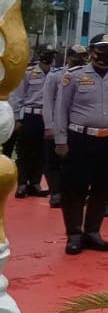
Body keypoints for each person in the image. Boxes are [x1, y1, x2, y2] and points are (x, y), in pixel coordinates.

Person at [53, 33, 108, 255]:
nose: (105, 55)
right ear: (90, 52)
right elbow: (62, 109)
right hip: (80, 139)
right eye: (101, 50)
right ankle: (75, 235)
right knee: (75, 188)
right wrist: (61, 140)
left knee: (103, 187)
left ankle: (93, 232)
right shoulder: (74, 77)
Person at [43, 45, 87, 209]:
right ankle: (55, 193)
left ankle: (70, 192)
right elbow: (47, 101)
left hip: (76, 125)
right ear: (69, 57)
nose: (81, 59)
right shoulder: (56, 75)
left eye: (84, 56)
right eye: (77, 56)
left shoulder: (87, 75)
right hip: (57, 122)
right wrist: (49, 125)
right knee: (54, 161)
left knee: (74, 161)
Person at [11, 45, 55, 198]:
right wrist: (17, 118)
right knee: (25, 151)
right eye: (47, 54)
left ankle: (35, 182)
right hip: (30, 116)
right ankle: (22, 184)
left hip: (47, 117)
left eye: (52, 54)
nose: (50, 57)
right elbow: (18, 96)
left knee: (42, 151)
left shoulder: (55, 74)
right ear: (39, 54)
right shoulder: (29, 72)